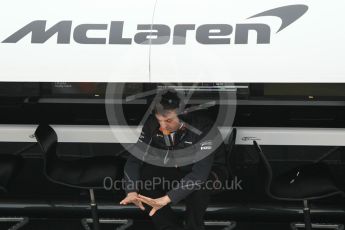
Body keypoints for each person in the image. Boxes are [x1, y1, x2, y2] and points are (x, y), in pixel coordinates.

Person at [120, 90, 228, 230]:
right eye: (160, 120)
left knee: (201, 185)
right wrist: (131, 191)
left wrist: (165, 199)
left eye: (169, 120)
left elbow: (199, 174)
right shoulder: (152, 124)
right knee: (145, 177)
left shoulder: (204, 127)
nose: (163, 126)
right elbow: (134, 160)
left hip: (210, 173)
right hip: (176, 168)